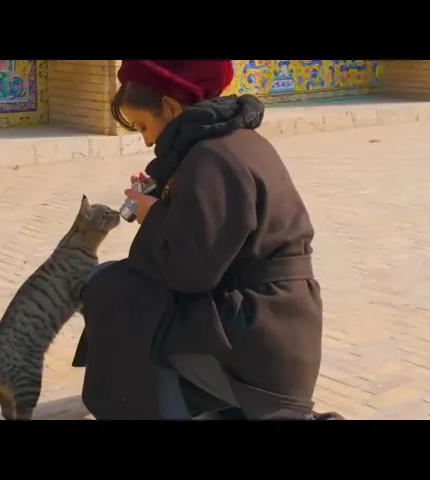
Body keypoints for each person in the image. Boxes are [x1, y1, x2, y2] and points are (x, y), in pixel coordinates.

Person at [72, 60, 341, 420]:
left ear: (170, 107)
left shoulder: (212, 156)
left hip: (258, 334)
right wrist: (166, 199)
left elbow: (189, 272)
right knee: (121, 292)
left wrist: (155, 216)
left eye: (144, 126)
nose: (148, 140)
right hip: (277, 322)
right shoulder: (233, 141)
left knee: (114, 295)